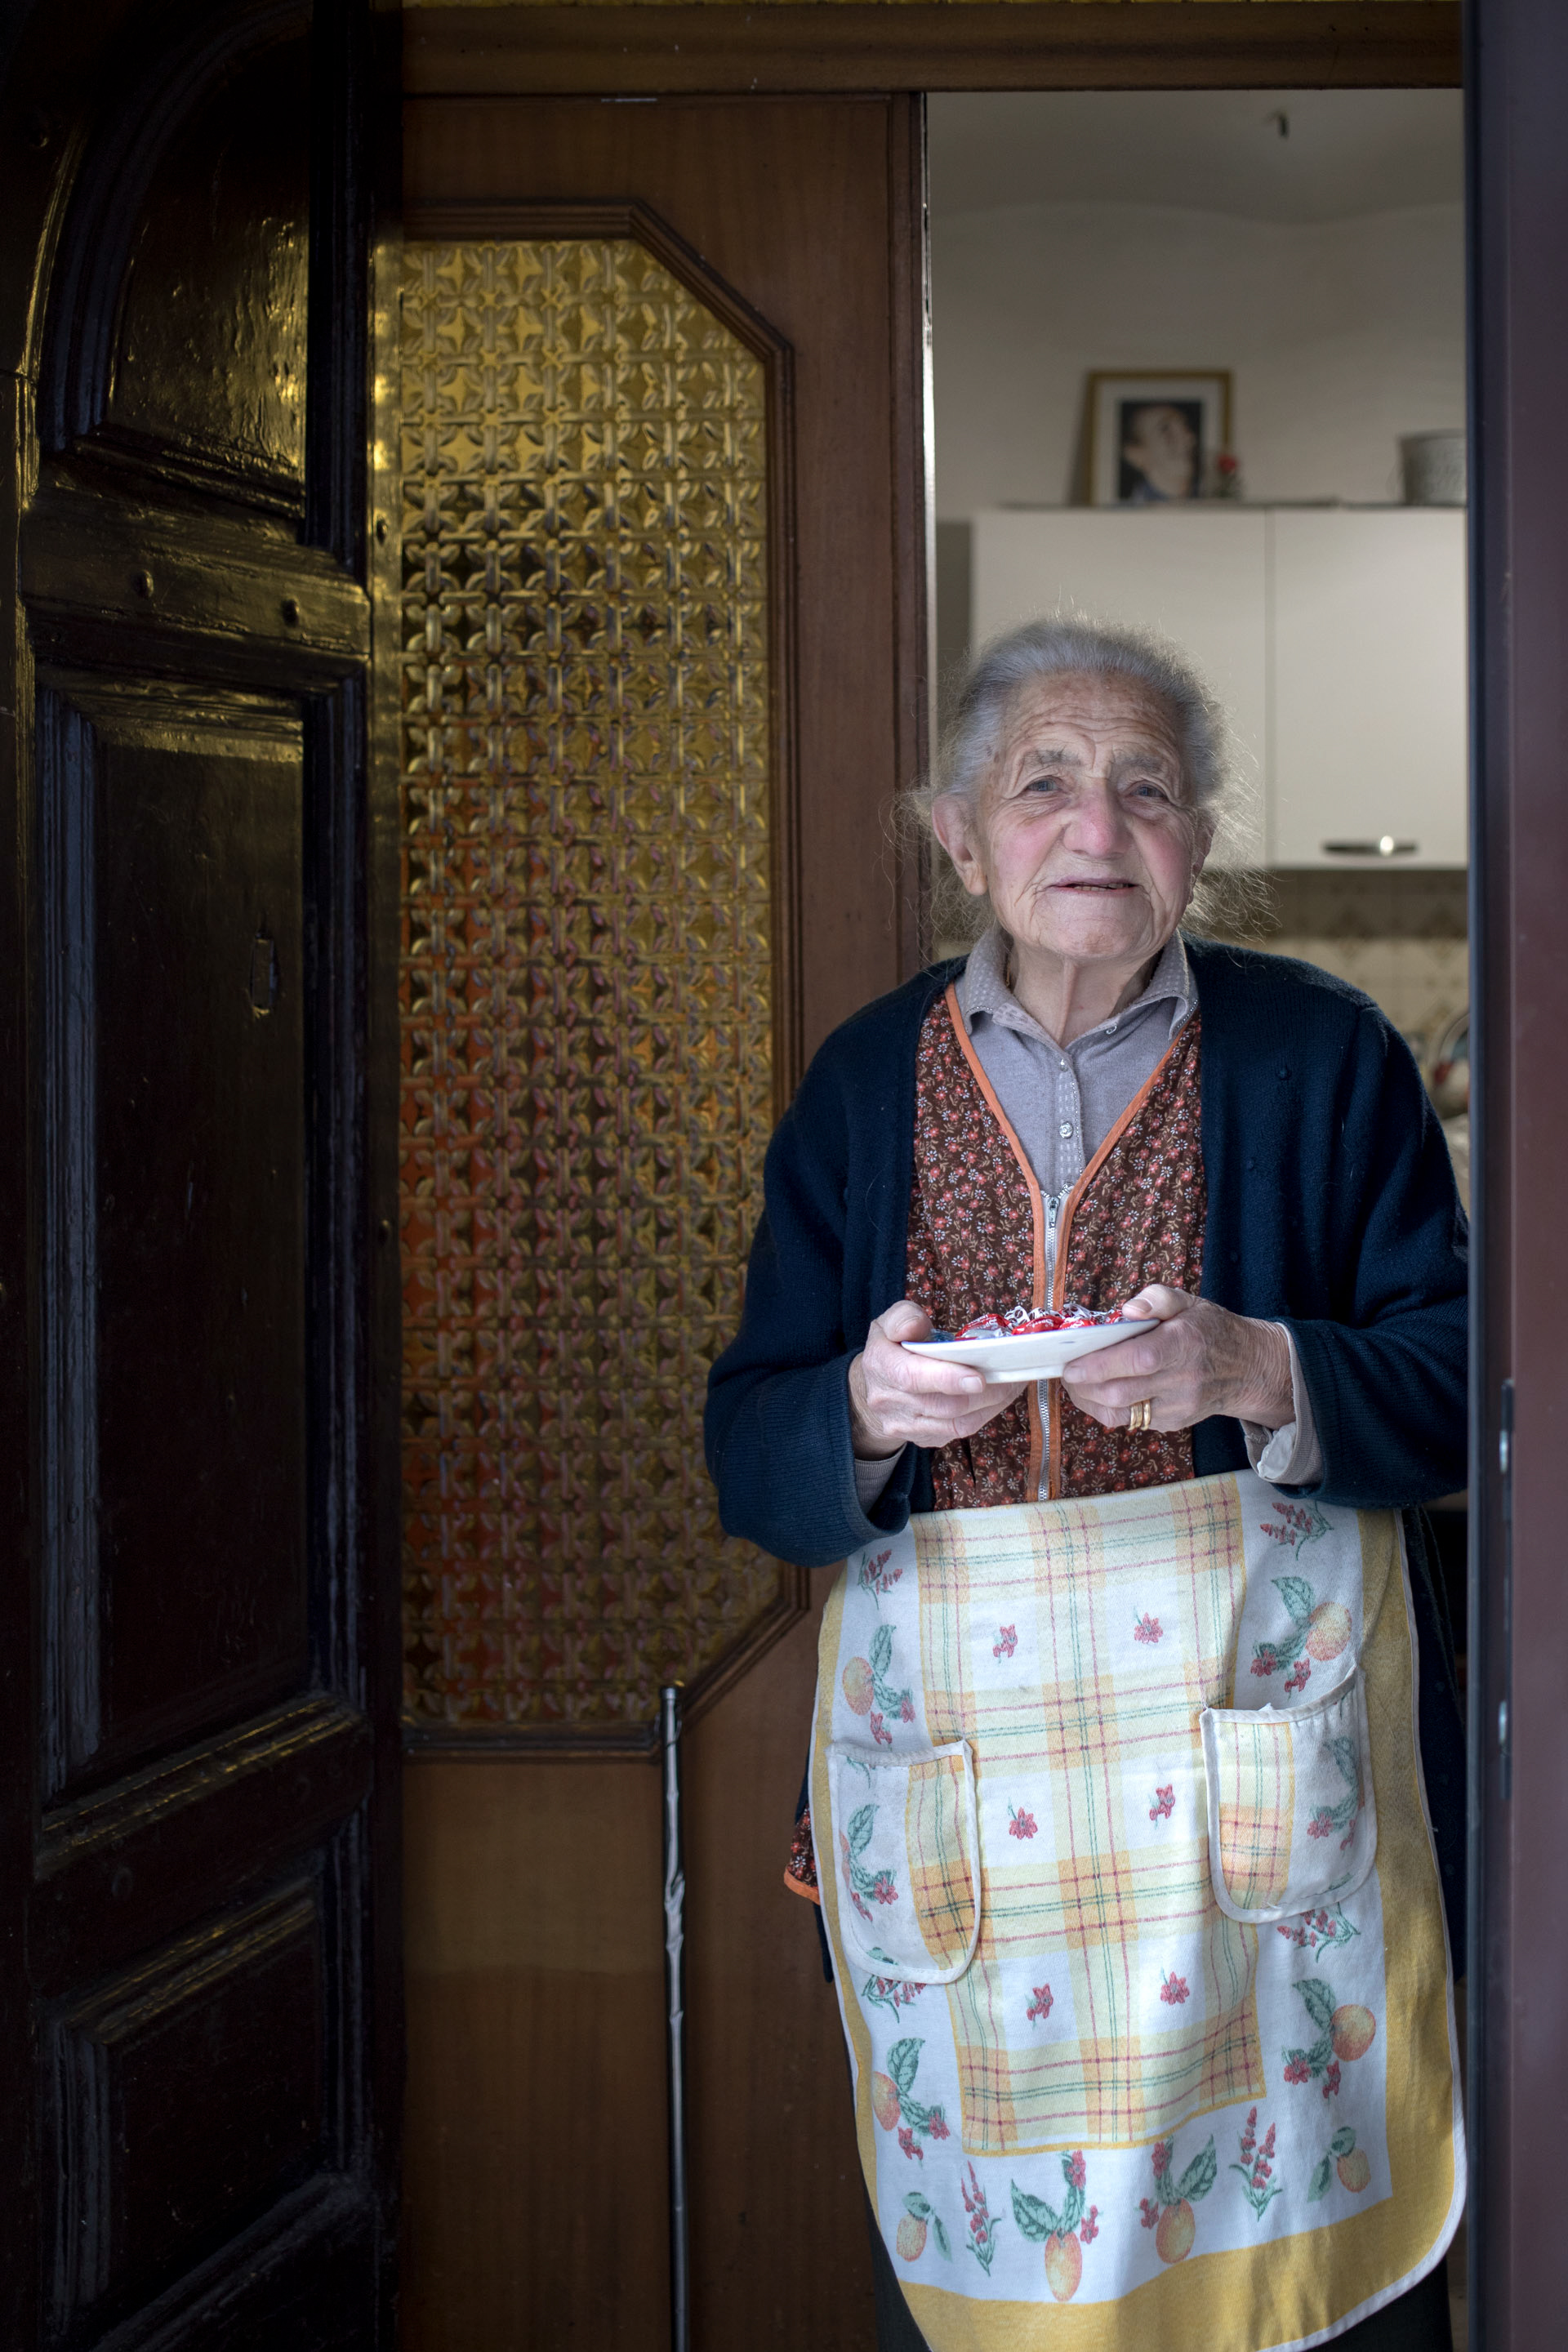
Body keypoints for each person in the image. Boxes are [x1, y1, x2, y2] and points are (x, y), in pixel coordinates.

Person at [706, 618, 1467, 2352]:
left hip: (1254, 1821)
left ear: (1198, 842)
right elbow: (747, 1441)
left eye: (1147, 790)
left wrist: (1261, 1368)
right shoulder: (858, 1088)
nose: (1096, 828)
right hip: (979, 1814)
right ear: (963, 835)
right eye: (1043, 783)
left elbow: (1472, 1377)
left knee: (1304, 2303)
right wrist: (863, 1412)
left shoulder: (1323, 1059)